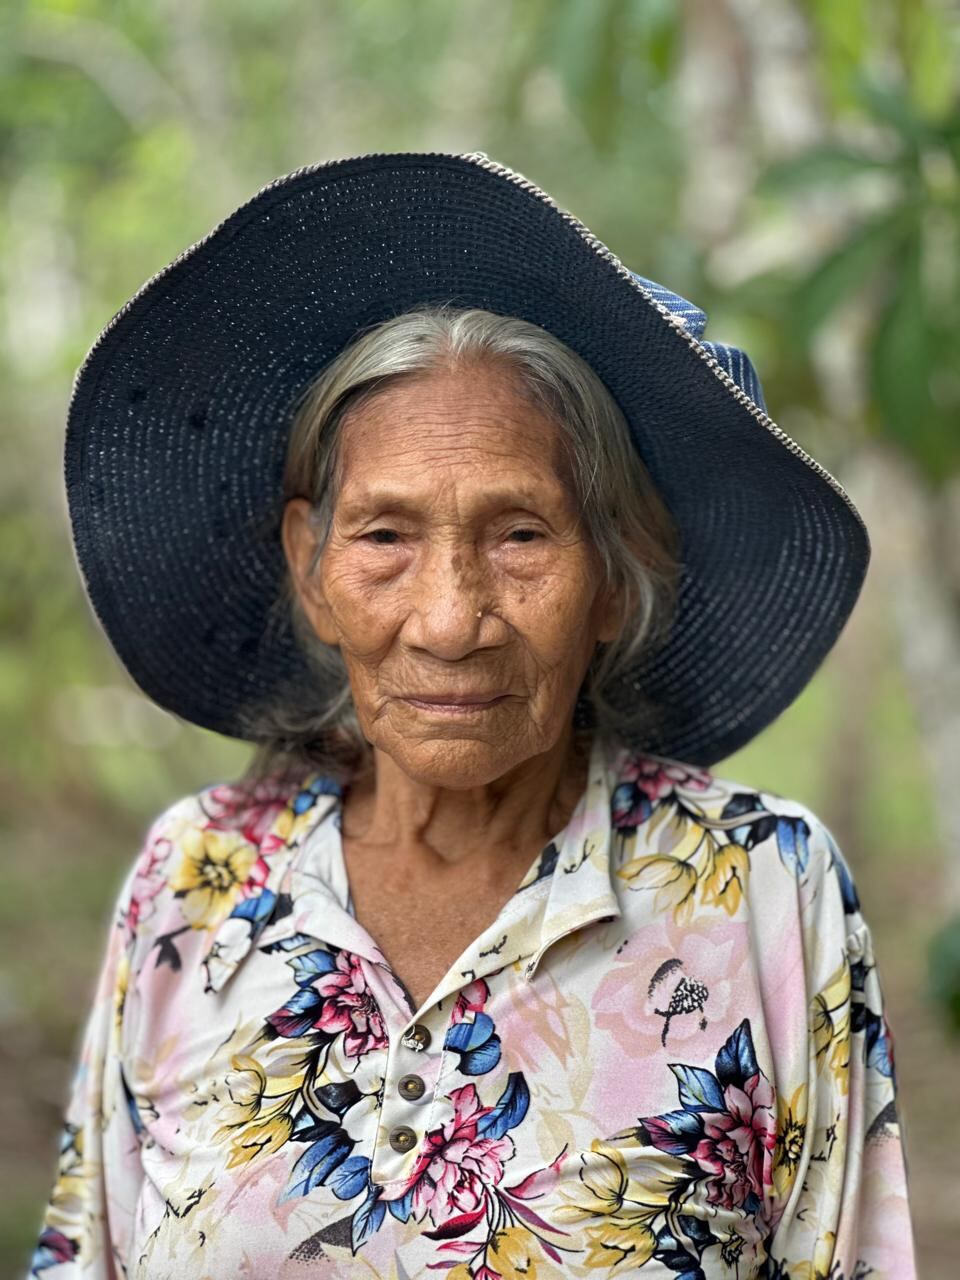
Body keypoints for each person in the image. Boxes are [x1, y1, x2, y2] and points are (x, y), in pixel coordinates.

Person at [30, 152, 915, 1279]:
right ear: (311, 567)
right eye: (385, 536)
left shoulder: (762, 885)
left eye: (521, 535)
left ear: (612, 575)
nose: (450, 621)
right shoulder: (197, 879)